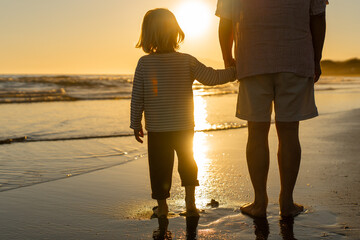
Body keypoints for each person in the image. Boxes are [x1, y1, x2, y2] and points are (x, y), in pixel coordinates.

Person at [216, 0, 327, 218]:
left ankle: (259, 202)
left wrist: (228, 59)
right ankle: (286, 203)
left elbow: (226, 21)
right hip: (295, 57)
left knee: (256, 133)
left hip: (252, 59)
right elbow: (318, 16)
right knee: (289, 133)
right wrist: (316, 58)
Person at [130, 8, 236, 218]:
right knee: (188, 162)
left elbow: (138, 97)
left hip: (159, 129)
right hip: (184, 126)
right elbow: (212, 78)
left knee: (159, 168)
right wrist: (236, 71)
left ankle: (162, 207)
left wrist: (135, 123)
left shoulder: (144, 63)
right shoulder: (187, 60)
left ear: (147, 35)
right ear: (175, 32)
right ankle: (190, 203)